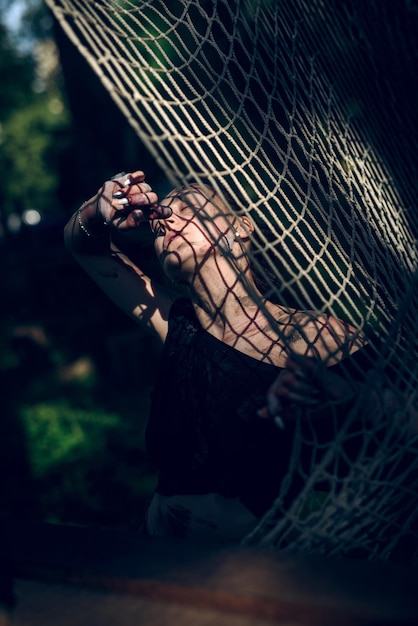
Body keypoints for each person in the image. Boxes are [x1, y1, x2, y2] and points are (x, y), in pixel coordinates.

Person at [64, 170, 367, 542]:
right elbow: (84, 247)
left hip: (270, 583)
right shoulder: (176, 325)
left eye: (188, 204)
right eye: (158, 222)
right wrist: (98, 209)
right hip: (153, 565)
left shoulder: (319, 338)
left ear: (241, 225)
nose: (167, 220)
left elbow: (385, 446)